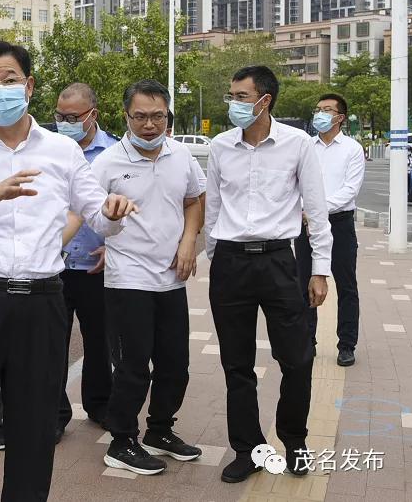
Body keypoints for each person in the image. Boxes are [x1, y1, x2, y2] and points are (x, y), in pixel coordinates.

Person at [0, 40, 137, 502]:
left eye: (9, 80)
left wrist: (114, 211)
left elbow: (99, 218)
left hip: (42, 303)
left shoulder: (62, 151)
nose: (0, 90)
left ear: (29, 85)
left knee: (35, 430)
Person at [204, 65, 332, 483]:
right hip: (231, 264)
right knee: (236, 365)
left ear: (265, 100)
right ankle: (249, 449)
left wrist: (320, 270)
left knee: (297, 358)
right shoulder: (221, 147)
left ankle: (294, 441)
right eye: (232, 95)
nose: (233, 104)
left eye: (241, 96)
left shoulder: (297, 144)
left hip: (281, 261)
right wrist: (213, 257)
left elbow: (316, 211)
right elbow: (214, 208)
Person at [91, 80, 205, 475]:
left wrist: (189, 241)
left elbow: (194, 198)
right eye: (140, 116)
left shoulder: (181, 155)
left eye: (158, 116)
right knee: (133, 366)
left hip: (171, 277)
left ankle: (160, 430)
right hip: (127, 279)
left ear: (167, 115)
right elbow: (89, 214)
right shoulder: (106, 163)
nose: (150, 125)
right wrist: (107, 223)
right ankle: (122, 440)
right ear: (126, 116)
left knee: (176, 365)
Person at [53, 83, 119, 435]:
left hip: (97, 265)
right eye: (60, 116)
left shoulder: (113, 153)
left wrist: (114, 247)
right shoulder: (48, 152)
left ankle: (100, 406)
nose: (65, 123)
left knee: (99, 343)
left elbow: (130, 208)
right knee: (51, 346)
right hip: (55, 267)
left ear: (92, 114)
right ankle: (54, 415)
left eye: (72, 117)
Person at [295, 94, 365, 366]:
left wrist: (315, 209)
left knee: (346, 286)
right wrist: (305, 212)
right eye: (318, 109)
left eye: (327, 110)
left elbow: (350, 191)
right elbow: (294, 183)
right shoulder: (305, 146)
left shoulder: (352, 149)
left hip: (339, 224)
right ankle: (307, 340)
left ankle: (346, 344)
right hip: (305, 225)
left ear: (340, 117)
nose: (320, 114)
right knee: (304, 283)